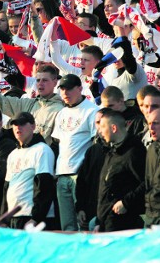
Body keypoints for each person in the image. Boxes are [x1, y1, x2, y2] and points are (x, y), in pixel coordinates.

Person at [52, 74, 99, 231]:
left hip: (80, 174)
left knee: (83, 223)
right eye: (63, 89)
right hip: (62, 174)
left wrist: (89, 174)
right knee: (67, 226)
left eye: (70, 89)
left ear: (80, 88)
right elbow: (58, 143)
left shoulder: (92, 110)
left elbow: (96, 144)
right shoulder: (62, 113)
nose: (65, 93)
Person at [3, 112, 56, 229]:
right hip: (14, 217)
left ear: (33, 126)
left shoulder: (42, 150)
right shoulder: (13, 154)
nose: (17, 127)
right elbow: (7, 188)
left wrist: (36, 218)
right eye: (15, 124)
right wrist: (4, 219)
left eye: (22, 123)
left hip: (32, 218)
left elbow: (44, 187)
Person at [96, 110, 146, 232]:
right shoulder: (111, 153)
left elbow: (147, 182)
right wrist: (99, 221)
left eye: (102, 127)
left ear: (113, 128)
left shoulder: (134, 152)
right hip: (106, 222)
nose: (100, 131)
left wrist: (126, 203)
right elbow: (104, 189)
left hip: (124, 223)